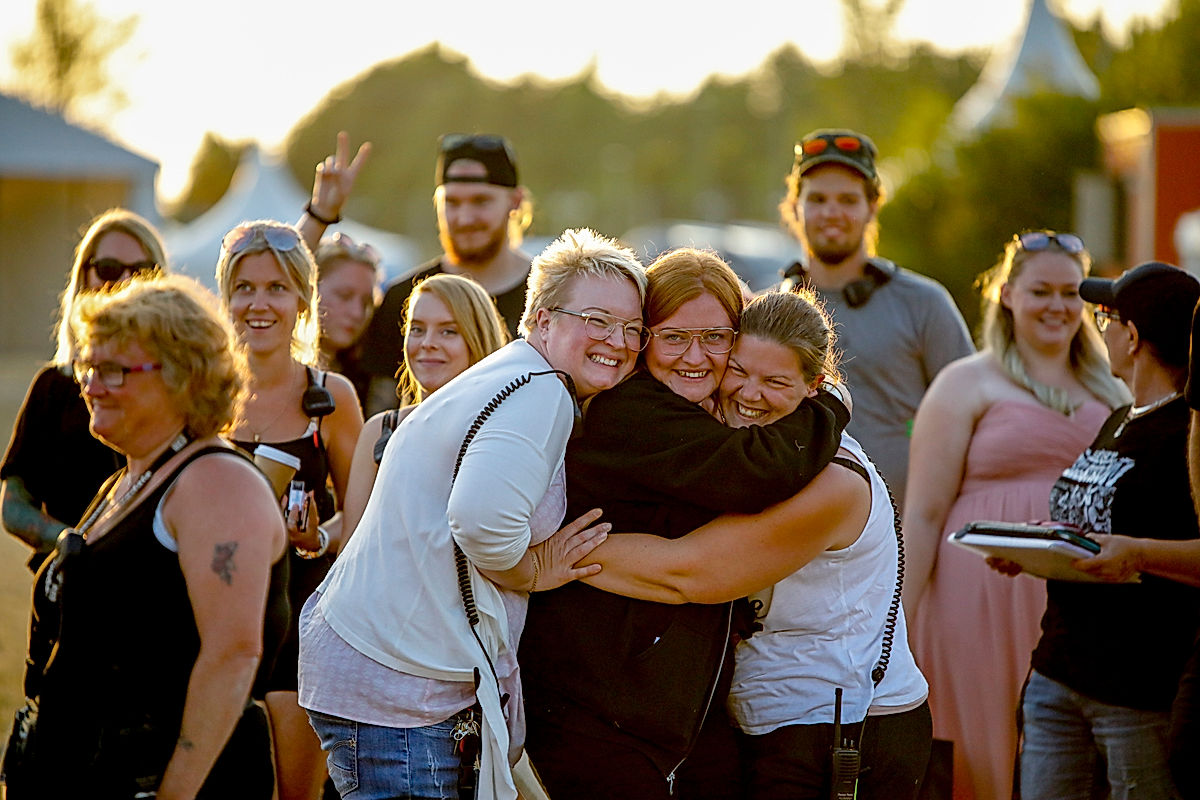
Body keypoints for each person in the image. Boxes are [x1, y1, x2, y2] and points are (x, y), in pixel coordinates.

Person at [298, 228, 646, 800]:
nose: (619, 340)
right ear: (542, 318)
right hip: (399, 690)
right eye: (597, 320)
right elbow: (482, 523)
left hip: (384, 672)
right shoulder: (541, 391)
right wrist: (533, 569)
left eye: (632, 327)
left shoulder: (515, 373)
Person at [521, 249, 851, 799]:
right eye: (673, 337)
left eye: (715, 338)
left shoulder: (703, 411)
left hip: (667, 712)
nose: (694, 356)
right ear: (643, 338)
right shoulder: (631, 411)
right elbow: (755, 472)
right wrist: (827, 404)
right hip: (600, 712)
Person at [576, 290, 931, 799]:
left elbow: (689, 574)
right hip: (773, 719)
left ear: (814, 386)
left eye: (776, 382)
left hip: (842, 730)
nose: (749, 393)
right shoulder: (744, 444)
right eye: (738, 370)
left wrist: (539, 554)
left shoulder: (833, 484)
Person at [7, 275, 287, 798]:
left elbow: (232, 655)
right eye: (89, 367)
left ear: (185, 375)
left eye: (114, 370)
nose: (91, 386)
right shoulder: (128, 480)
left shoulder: (216, 482)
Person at [903, 231, 1130, 800]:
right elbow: (925, 513)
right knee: (984, 745)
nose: (1057, 306)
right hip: (978, 594)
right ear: (1007, 294)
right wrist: (896, 625)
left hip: (1083, 600)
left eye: (1070, 293)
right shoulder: (964, 382)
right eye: (1040, 291)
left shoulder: (1114, 388)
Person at [1004, 261, 1200, 799]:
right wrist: (1032, 546)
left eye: (1106, 318)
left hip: (1136, 689)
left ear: (1132, 337)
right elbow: (1098, 523)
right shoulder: (1119, 417)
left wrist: (1137, 553)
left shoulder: (1188, 433)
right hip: (1059, 670)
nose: (1101, 331)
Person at [216, 220, 364, 800]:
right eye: (244, 288)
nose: (259, 303)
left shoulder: (330, 397)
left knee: (295, 792)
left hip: (303, 621)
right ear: (226, 298)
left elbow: (364, 517)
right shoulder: (200, 394)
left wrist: (318, 538)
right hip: (215, 614)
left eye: (276, 288)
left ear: (303, 300)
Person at [778, 128, 973, 503]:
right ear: (794, 207)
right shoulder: (769, 313)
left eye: (848, 200)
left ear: (872, 207)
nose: (831, 212)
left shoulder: (924, 303)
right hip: (800, 526)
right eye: (817, 199)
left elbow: (971, 412)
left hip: (911, 525)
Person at [2, 208, 165, 571]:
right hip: (68, 584)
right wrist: (70, 540)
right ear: (84, 276)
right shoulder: (54, 387)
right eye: (108, 269)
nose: (125, 282)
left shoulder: (177, 385)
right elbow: (13, 506)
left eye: (142, 271)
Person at [354, 133, 535, 414]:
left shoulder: (549, 295)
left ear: (516, 201)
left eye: (481, 201)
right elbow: (380, 415)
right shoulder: (404, 297)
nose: (465, 218)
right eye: (452, 203)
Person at [341, 273, 509, 540]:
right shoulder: (380, 431)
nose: (427, 343)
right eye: (417, 329)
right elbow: (351, 548)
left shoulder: (505, 433)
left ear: (477, 340)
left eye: (448, 331)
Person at [314, 232, 382, 408]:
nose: (357, 313)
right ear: (311, 290)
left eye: (367, 303)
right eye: (344, 296)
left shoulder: (367, 383)